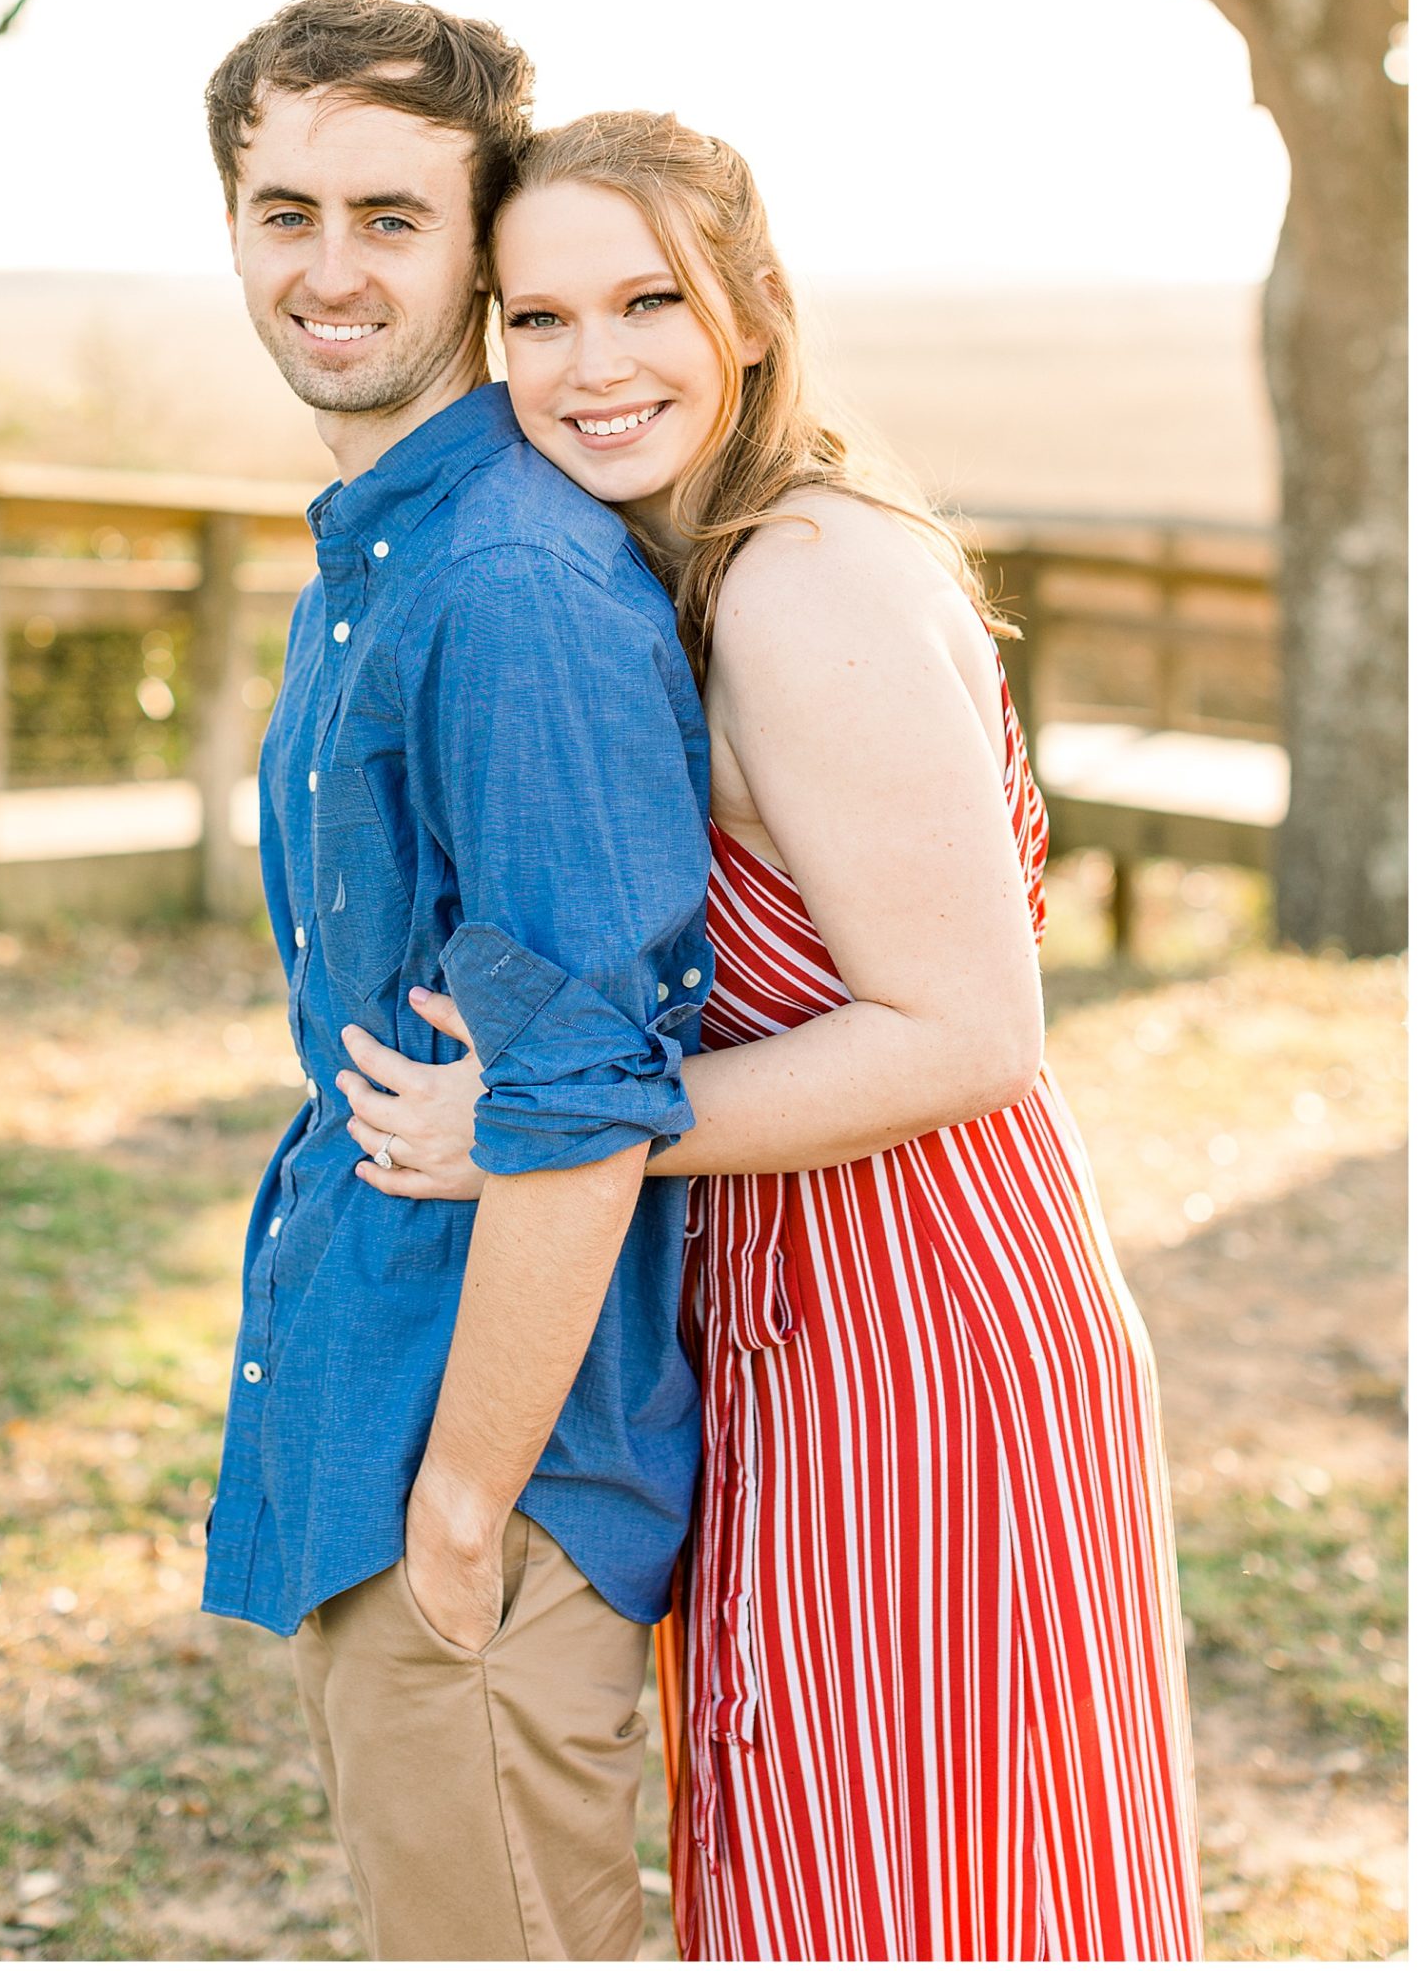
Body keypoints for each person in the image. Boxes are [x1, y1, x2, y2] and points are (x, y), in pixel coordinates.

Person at [338, 111, 1206, 1963]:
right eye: (538, 319)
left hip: (919, 1326)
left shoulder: (804, 576)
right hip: (788, 1307)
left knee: (919, 1886)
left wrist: (552, 1127)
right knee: (811, 1856)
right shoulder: (678, 559)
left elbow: (965, 1034)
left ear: (749, 306)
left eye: (647, 301)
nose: (593, 364)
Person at [198, 4, 717, 1963]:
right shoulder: (386, 557)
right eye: (286, 210)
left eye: (391, 218)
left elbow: (582, 1092)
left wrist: (461, 1507)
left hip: (484, 1464)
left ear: (479, 244)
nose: (329, 269)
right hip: (377, 1390)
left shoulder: (505, 588)